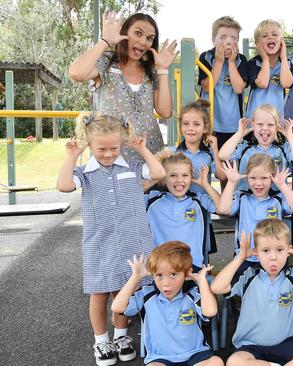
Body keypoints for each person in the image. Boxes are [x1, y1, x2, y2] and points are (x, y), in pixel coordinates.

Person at [56, 113, 165, 365]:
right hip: (99, 243)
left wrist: (142, 149)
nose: (108, 154)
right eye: (101, 148)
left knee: (124, 289)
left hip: (131, 241)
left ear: (122, 143)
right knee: (99, 292)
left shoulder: (134, 167)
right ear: (90, 145)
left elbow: (158, 172)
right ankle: (101, 340)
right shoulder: (84, 173)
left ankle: (121, 336)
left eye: (114, 148)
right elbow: (63, 185)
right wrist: (72, 156)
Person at [211, 220, 293, 366]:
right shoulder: (247, 275)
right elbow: (217, 287)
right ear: (256, 253)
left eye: (280, 250)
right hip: (250, 346)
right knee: (234, 362)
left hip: (286, 344)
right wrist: (240, 258)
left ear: (289, 250)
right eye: (265, 251)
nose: (273, 257)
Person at [69, 12, 177, 160]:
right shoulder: (106, 62)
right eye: (138, 33)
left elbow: (165, 112)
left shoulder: (151, 70)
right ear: (125, 33)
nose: (143, 42)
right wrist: (105, 41)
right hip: (112, 159)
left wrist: (163, 69)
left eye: (149, 38)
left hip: (151, 159)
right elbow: (76, 73)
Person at [111, 241, 224, 366]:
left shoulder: (191, 294)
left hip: (195, 354)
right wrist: (136, 277)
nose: (166, 283)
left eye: (173, 275)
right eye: (159, 275)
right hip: (161, 358)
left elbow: (210, 311)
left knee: (216, 362)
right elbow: (117, 307)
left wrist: (201, 281)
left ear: (186, 274)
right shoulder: (147, 294)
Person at [217, 154, 293, 275]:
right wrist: (231, 182)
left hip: (273, 257)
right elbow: (223, 209)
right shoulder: (242, 197)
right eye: (253, 178)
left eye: (264, 178)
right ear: (247, 178)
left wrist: (282, 185)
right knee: (245, 289)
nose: (258, 183)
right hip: (246, 256)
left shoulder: (277, 198)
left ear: (272, 177)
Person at [145, 153, 221, 272]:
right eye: (173, 175)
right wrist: (155, 177)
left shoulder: (199, 200)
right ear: (164, 178)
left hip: (192, 268)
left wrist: (206, 185)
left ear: (191, 177)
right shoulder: (151, 200)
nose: (179, 180)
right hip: (160, 268)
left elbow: (224, 208)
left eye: (185, 175)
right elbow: (126, 196)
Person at [218, 104, 293, 191]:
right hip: (247, 199)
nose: (265, 128)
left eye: (270, 125)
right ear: (253, 125)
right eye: (260, 124)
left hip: (275, 200)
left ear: (277, 126)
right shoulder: (245, 148)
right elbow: (223, 155)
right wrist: (239, 134)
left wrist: (289, 136)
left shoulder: (282, 149)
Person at [198, 16, 248, 148]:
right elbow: (208, 86)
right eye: (223, 37)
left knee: (229, 159)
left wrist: (231, 62)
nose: (228, 42)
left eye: (233, 38)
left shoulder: (240, 60)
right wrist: (219, 62)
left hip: (232, 124)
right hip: (209, 122)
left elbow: (238, 89)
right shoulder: (206, 57)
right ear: (213, 40)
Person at [174, 100, 226, 194]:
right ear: (180, 127)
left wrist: (215, 150)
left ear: (205, 128)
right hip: (181, 203)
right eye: (186, 124)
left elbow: (222, 176)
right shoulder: (174, 153)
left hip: (203, 204)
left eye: (196, 124)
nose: (190, 128)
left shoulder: (209, 154)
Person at [245, 19, 293, 119]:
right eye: (264, 36)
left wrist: (283, 57)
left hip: (276, 121)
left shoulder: (285, 63)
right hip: (255, 122)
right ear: (257, 44)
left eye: (275, 35)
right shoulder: (254, 63)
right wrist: (266, 60)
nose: (270, 37)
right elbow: (262, 83)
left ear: (281, 41)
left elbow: (286, 83)